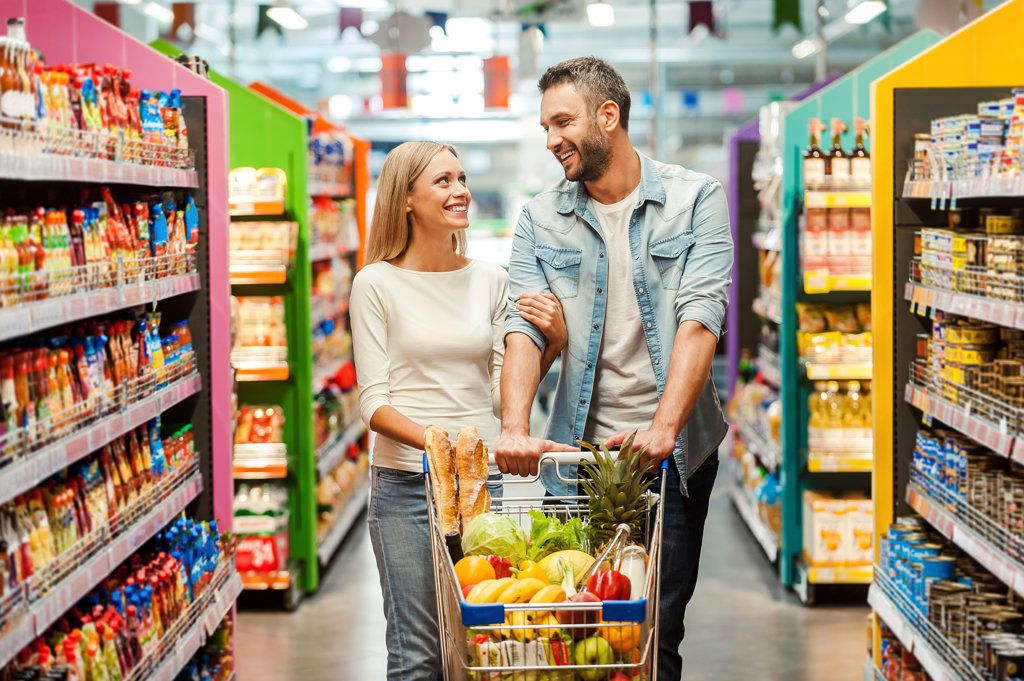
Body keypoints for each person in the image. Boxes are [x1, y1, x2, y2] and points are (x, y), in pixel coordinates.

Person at [494, 57, 732, 680]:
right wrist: (515, 427)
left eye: (563, 122)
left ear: (609, 116)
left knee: (655, 630)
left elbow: (700, 318)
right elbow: (521, 326)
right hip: (579, 456)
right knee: (576, 629)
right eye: (545, 127)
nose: (552, 141)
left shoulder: (695, 199)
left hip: (673, 455)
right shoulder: (540, 218)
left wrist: (665, 427)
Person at [350, 141, 571, 681]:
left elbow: (501, 397)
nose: (460, 191)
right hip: (405, 485)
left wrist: (553, 347)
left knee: (483, 645)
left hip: (481, 486)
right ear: (406, 198)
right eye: (443, 182)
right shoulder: (375, 283)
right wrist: (441, 445)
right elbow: (373, 403)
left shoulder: (491, 279)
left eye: (462, 179)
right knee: (417, 653)